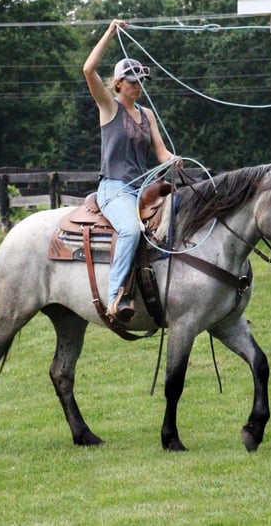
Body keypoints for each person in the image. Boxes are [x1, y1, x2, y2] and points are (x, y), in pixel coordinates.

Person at [82, 19, 179, 322]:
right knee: (130, 229)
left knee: (180, 217)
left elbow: (161, 152)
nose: (138, 86)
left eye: (141, 81)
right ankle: (115, 298)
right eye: (132, 81)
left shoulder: (147, 114)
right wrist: (110, 32)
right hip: (114, 188)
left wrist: (174, 160)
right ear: (119, 84)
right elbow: (88, 70)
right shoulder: (109, 107)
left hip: (141, 190)